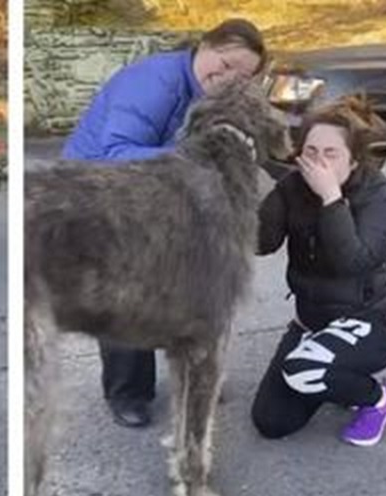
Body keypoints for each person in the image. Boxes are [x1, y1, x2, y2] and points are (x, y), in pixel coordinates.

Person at [61, 18, 268, 428]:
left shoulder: (212, 95)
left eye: (239, 77)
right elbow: (116, 150)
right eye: (224, 64)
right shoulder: (155, 83)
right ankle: (127, 392)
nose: (225, 78)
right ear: (206, 45)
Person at [250, 95, 386, 446]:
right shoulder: (293, 188)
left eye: (331, 153)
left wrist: (331, 199)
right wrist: (257, 196)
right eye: (311, 151)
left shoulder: (378, 196)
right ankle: (331, 371)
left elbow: (353, 261)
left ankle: (378, 400)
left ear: (353, 160)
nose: (318, 162)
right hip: (313, 321)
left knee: (304, 370)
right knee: (271, 421)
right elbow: (262, 244)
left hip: (375, 320)